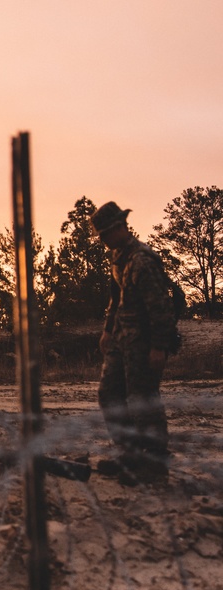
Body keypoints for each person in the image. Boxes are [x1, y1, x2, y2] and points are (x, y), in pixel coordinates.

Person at [92, 201, 178, 483]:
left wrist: (159, 346)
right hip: (120, 339)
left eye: (105, 233)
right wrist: (107, 330)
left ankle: (153, 463)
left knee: (142, 399)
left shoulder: (143, 260)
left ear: (119, 228)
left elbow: (161, 308)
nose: (102, 240)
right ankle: (129, 453)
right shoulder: (119, 257)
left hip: (143, 341)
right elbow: (115, 299)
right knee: (109, 394)